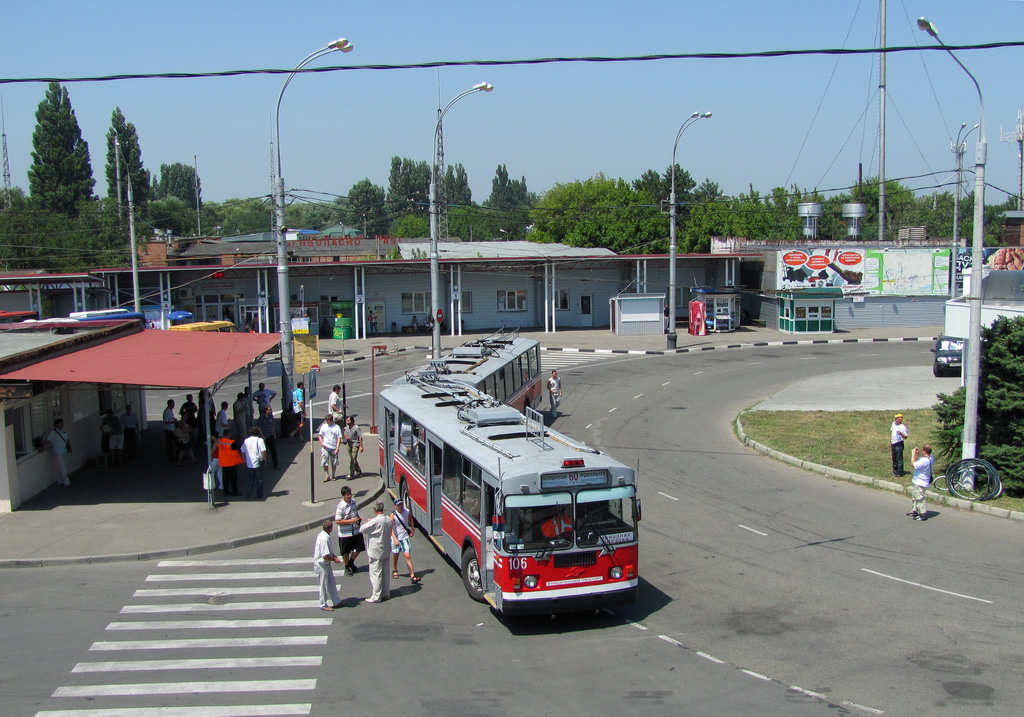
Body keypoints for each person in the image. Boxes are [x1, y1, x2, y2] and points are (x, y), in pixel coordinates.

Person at [359, 501, 393, 603]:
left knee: (376, 574)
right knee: (385, 573)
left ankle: (376, 596)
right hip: (386, 550)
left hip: (376, 551)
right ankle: (386, 593)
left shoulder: (375, 521)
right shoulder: (388, 519)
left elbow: (362, 529)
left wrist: (368, 522)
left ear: (375, 510)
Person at [334, 485, 365, 576]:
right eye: (347, 495)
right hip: (345, 533)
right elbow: (338, 521)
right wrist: (351, 521)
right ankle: (347, 566)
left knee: (359, 548)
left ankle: (351, 562)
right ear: (343, 496)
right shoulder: (340, 507)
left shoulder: (353, 502)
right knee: (346, 551)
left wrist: (358, 518)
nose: (350, 496)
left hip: (355, 530)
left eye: (350, 494)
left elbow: (355, 512)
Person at [313, 520, 344, 611]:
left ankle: (336, 601)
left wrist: (333, 555)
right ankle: (323, 605)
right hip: (322, 564)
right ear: (331, 528)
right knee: (323, 585)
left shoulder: (323, 535)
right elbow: (325, 556)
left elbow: (327, 552)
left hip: (325, 564)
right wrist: (334, 559)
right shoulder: (324, 539)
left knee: (331, 583)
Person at [391, 498, 419, 584]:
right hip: (396, 538)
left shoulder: (407, 511)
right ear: (395, 506)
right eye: (398, 505)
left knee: (407, 555)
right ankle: (395, 569)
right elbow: (391, 528)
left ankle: (412, 575)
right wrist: (395, 539)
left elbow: (410, 519)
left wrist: (413, 529)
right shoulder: (393, 515)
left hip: (404, 537)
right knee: (396, 555)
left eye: (401, 504)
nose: (401, 506)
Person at [907, 445, 934, 521]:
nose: (921, 452)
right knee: (915, 496)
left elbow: (913, 464)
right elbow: (921, 459)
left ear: (925, 451)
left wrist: (913, 454)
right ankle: (914, 510)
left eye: (922, 450)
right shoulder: (931, 458)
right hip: (920, 481)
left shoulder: (924, 461)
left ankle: (922, 514)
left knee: (919, 498)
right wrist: (918, 454)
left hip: (920, 482)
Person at [43, 418, 72, 486]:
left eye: (63, 423)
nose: (62, 425)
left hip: (64, 450)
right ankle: (66, 481)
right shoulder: (53, 433)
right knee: (63, 467)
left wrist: (70, 447)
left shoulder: (64, 431)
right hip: (58, 452)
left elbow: (67, 439)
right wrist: (42, 447)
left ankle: (60, 480)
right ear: (57, 424)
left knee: (64, 465)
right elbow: (47, 441)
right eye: (61, 423)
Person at [241, 426, 268, 499]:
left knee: (250, 479)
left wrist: (244, 460)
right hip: (258, 462)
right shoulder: (260, 440)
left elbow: (243, 451)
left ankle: (249, 493)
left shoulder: (246, 440)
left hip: (249, 463)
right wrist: (264, 459)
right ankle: (260, 494)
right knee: (259, 479)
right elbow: (263, 451)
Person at [216, 429, 244, 496]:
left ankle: (226, 492)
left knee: (225, 479)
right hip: (231, 463)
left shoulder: (220, 442)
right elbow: (240, 447)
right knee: (233, 479)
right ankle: (234, 492)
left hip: (224, 463)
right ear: (228, 435)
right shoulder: (231, 443)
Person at [318, 413, 342, 482]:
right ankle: (326, 475)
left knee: (334, 462)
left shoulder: (336, 427)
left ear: (331, 420)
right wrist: (322, 443)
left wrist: (337, 448)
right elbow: (320, 435)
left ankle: (333, 475)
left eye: (328, 420)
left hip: (333, 447)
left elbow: (339, 438)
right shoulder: (324, 426)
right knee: (324, 461)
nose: (327, 422)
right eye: (326, 420)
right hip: (325, 447)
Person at [257, 404, 280, 470]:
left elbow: (272, 425)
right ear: (266, 410)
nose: (270, 411)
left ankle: (276, 465)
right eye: (269, 410)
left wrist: (274, 433)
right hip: (264, 435)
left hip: (270, 435)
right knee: (263, 450)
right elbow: (259, 427)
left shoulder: (271, 416)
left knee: (273, 451)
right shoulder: (262, 417)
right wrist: (262, 436)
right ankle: (262, 462)